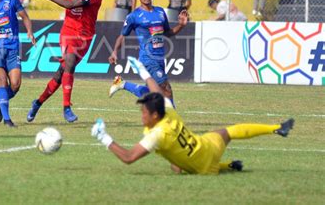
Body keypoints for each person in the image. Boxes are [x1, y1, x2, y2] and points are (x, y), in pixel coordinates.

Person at [91, 56, 295, 174]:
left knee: (177, 165)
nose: (141, 113)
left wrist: (103, 136)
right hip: (207, 144)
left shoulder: (156, 135)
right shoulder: (168, 110)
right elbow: (156, 92)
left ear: (154, 115)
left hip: (205, 167)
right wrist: (144, 71)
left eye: (144, 111)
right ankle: (276, 128)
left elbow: (128, 158)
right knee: (228, 131)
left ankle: (227, 166)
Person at [27, 0, 104, 123]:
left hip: (85, 37)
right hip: (68, 32)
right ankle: (66, 107)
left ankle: (38, 102)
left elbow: (70, 4)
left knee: (61, 73)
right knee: (69, 62)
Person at [108, 0, 188, 106]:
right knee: (166, 89)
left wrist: (181, 25)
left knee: (153, 93)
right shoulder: (134, 16)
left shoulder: (161, 12)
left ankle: (122, 84)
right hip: (148, 58)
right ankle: (172, 121)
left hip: (160, 58)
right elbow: (122, 36)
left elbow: (167, 33)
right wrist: (114, 51)